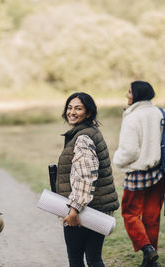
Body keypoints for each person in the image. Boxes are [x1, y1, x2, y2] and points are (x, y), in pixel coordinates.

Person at [55, 92, 119, 267]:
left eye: (78, 108)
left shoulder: (83, 137)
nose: (72, 112)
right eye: (69, 108)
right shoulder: (91, 132)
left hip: (84, 211)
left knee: (77, 260)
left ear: (88, 113)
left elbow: (86, 176)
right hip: (98, 209)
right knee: (94, 259)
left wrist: (74, 210)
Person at [113, 81, 165, 267]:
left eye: (129, 92)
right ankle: (150, 260)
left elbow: (129, 152)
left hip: (137, 173)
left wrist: (117, 160)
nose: (127, 95)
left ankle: (147, 249)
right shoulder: (162, 113)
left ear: (137, 94)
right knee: (152, 216)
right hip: (160, 173)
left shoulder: (132, 117)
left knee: (130, 214)